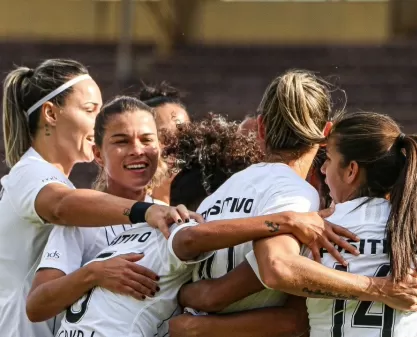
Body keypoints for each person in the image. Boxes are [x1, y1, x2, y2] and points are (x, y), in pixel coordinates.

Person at [168, 70, 417, 337]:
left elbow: (205, 290)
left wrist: (187, 304)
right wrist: (379, 288)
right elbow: (279, 275)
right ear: (326, 133)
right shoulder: (297, 196)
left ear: (260, 128)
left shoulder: (219, 194)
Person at [54, 116, 352, 337]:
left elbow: (208, 298)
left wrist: (191, 316)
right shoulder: (177, 225)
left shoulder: (148, 227)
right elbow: (287, 314)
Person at [0, 59, 199, 337]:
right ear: (51, 114)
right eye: (91, 110)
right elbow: (61, 206)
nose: (99, 124)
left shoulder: (60, 183)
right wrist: (147, 211)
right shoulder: (30, 173)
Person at [26, 96, 168, 329]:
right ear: (98, 154)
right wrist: (95, 273)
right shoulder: (83, 219)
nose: (137, 150)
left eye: (146, 140)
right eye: (122, 141)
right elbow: (36, 306)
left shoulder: (169, 217)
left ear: (159, 148)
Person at [305, 111, 417, 336]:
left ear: (351, 170)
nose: (323, 169)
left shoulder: (309, 234)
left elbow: (272, 272)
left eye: (329, 160)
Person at [140, 82, 191, 205]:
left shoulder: (210, 206)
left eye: (185, 136)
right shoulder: (122, 212)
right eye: (164, 137)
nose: (176, 145)